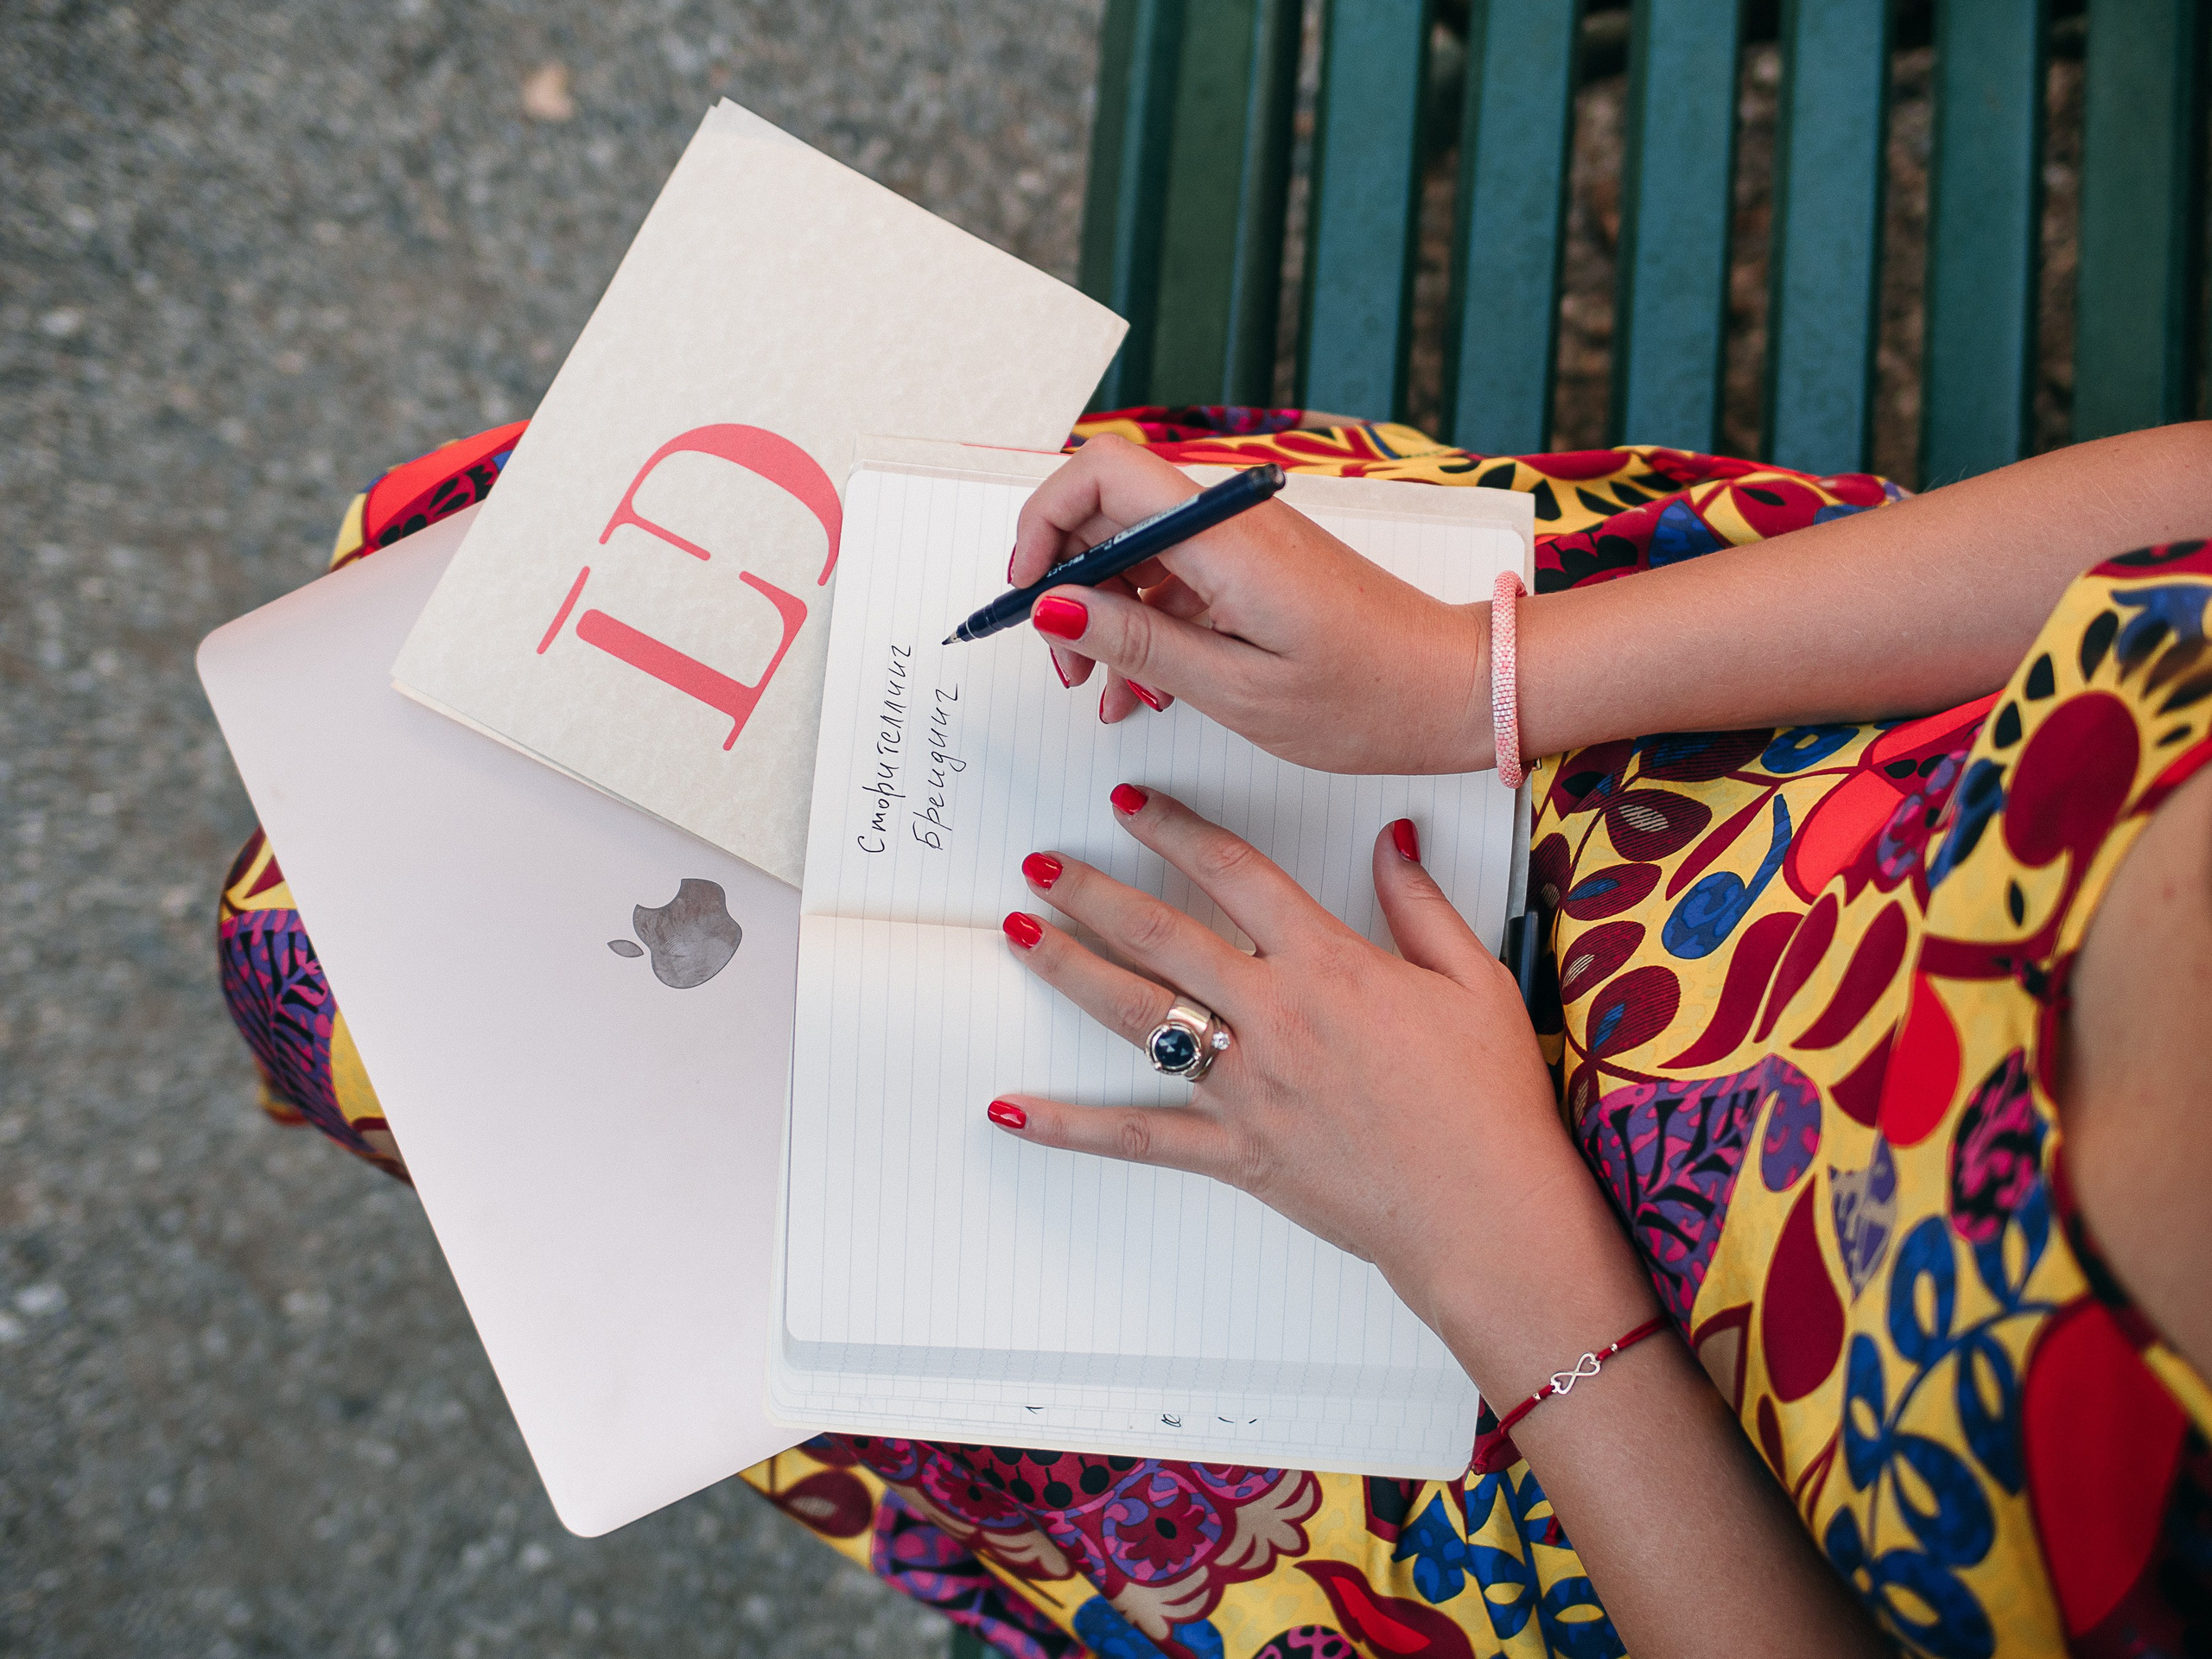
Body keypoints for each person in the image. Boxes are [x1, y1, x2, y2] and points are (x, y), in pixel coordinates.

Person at [219, 410, 2212, 1659]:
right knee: (472, 607)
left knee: (353, 974)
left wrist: (1502, 1262)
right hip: (1703, 730)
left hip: (1583, 1450)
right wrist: (1475, 672)